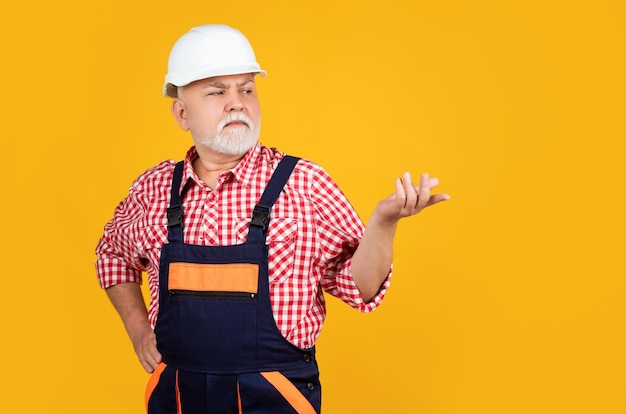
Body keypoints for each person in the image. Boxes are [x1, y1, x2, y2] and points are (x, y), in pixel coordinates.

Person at [95, 24, 450, 414]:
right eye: (217, 91)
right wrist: (137, 329)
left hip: (276, 399)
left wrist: (384, 223)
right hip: (177, 399)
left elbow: (360, 287)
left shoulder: (304, 184)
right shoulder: (154, 189)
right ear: (182, 113)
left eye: (246, 88)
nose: (237, 103)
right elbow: (112, 255)